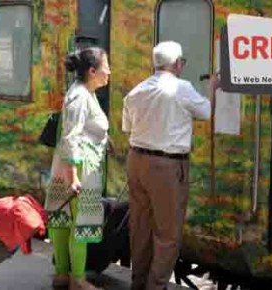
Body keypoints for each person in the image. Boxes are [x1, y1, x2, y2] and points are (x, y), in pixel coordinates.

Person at [122, 41, 220, 290]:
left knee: (140, 228)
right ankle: (155, 287)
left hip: (136, 161)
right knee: (167, 234)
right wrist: (212, 88)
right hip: (166, 167)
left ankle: (138, 282)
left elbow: (127, 129)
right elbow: (206, 112)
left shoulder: (136, 91)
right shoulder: (182, 88)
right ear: (177, 64)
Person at [44, 47, 111, 290]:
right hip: (78, 169)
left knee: (62, 223)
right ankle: (78, 279)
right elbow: (71, 137)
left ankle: (62, 275)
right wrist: (74, 177)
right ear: (92, 71)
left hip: (67, 166)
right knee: (80, 224)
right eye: (106, 67)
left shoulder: (82, 92)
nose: (109, 72)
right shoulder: (81, 96)